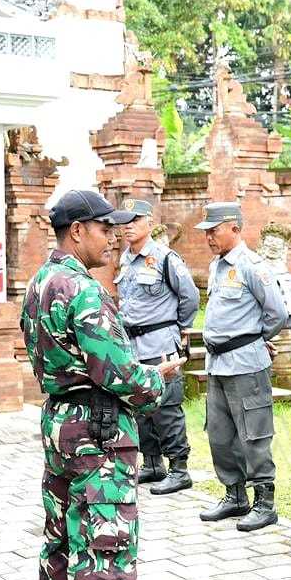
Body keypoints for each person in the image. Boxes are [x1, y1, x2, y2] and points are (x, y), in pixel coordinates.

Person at [20, 189, 182, 580]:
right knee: (104, 541)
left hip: (62, 424)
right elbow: (118, 373)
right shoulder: (83, 290)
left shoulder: (39, 282)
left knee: (62, 533)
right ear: (76, 231)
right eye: (102, 227)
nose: (112, 235)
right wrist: (157, 379)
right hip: (98, 429)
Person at [196, 203, 287, 531]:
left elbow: (277, 313)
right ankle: (234, 495)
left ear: (234, 228)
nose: (208, 237)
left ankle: (265, 502)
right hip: (216, 364)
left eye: (214, 230)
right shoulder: (216, 266)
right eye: (206, 231)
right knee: (220, 434)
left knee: (254, 434)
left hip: (246, 364)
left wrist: (252, 340)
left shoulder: (252, 266)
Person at [115, 198, 199, 495]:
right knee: (140, 405)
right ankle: (152, 463)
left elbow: (189, 297)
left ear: (149, 222)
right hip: (132, 344)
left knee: (166, 407)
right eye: (124, 221)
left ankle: (179, 468)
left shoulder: (165, 258)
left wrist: (177, 329)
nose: (127, 227)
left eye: (134, 220)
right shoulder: (124, 259)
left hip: (160, 342)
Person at [259, 233, 291, 328]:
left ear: (283, 248)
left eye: (278, 243)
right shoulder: (256, 273)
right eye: (270, 242)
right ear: (263, 245)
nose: (273, 246)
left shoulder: (290, 280)